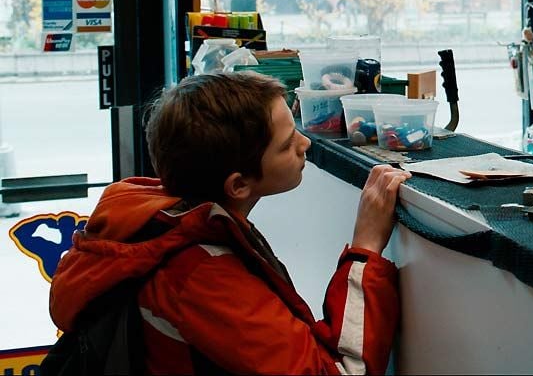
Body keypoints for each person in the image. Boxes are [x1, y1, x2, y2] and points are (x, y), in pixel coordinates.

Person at [49, 71, 410, 374]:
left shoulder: (166, 218)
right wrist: (365, 249)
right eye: (286, 145)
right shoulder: (199, 276)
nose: (305, 144)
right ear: (238, 185)